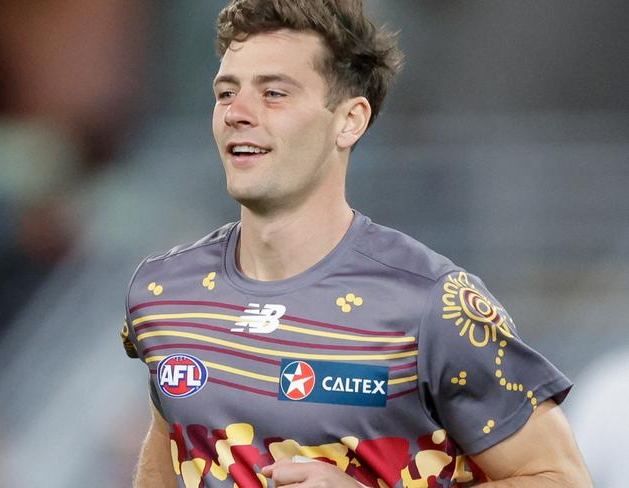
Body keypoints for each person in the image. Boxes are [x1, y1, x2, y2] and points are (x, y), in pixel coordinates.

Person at [121, 1, 592, 486]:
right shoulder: (164, 292)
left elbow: (560, 478)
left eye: (274, 93)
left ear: (350, 120)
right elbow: (172, 445)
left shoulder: (438, 306)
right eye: (226, 93)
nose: (237, 113)